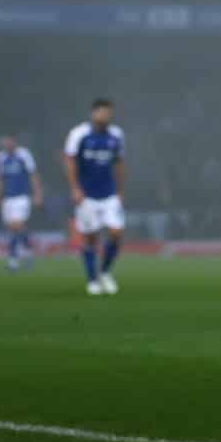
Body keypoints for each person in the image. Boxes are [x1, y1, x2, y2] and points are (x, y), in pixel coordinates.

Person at [63, 99, 125, 295]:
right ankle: (92, 280)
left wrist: (120, 190)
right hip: (87, 194)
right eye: (103, 112)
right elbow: (70, 161)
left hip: (109, 194)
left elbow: (119, 164)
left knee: (116, 233)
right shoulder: (78, 134)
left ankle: (105, 272)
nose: (107, 116)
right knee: (90, 238)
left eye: (109, 112)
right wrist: (75, 188)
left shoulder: (116, 135)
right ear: (93, 113)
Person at [0, 136, 41, 271]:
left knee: (16, 225)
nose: (6, 143)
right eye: (4, 141)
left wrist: (37, 194)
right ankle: (29, 251)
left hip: (22, 197)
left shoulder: (24, 155)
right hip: (7, 198)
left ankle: (12, 261)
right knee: (13, 229)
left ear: (14, 141)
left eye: (8, 140)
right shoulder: (1, 158)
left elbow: (33, 175)